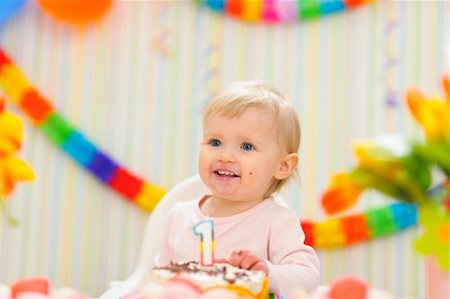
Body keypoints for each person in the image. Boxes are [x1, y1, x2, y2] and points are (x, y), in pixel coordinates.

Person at [154, 80, 320, 297]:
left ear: (283, 165)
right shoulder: (178, 216)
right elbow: (158, 279)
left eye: (247, 146)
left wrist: (267, 272)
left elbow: (308, 277)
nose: (225, 156)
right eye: (215, 142)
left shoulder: (276, 221)